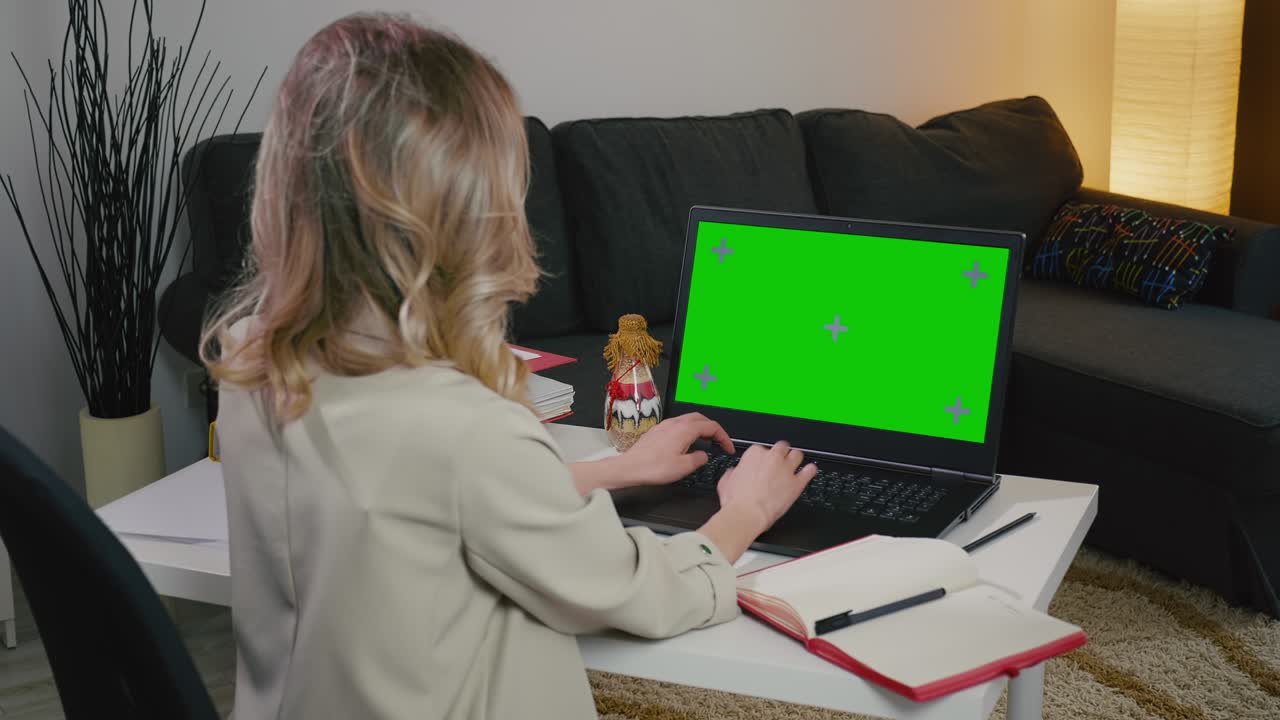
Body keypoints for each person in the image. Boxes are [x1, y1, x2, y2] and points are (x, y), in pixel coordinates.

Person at [201, 12, 816, 720]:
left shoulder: (253, 356)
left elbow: (411, 505)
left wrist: (617, 468)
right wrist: (744, 513)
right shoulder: (465, 428)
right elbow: (637, 592)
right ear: (476, 211)